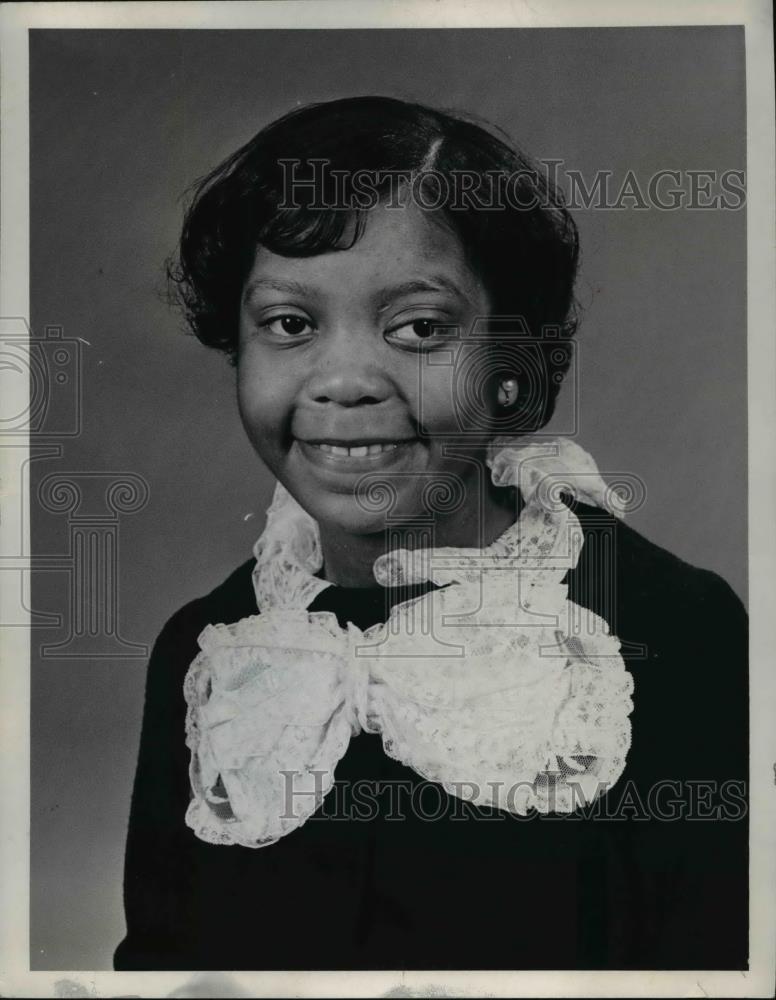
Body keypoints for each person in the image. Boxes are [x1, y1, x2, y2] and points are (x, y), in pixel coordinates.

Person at [114, 96, 748, 971]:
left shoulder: (665, 629)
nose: (342, 382)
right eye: (290, 325)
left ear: (509, 364)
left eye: (418, 328)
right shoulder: (213, 649)